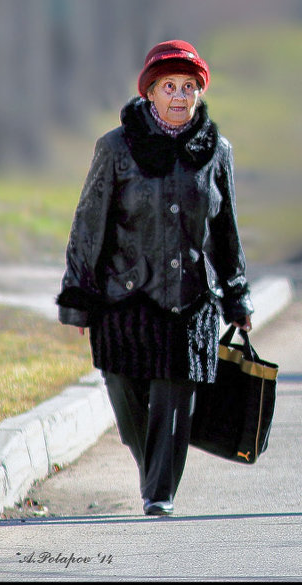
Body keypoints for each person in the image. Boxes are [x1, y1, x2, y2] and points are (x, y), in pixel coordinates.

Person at [57, 39, 254, 516]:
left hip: (190, 300)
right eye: (171, 86)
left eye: (190, 87)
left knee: (173, 403)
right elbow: (89, 224)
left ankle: (158, 492)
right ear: (150, 92)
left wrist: (237, 297)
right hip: (123, 298)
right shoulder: (116, 148)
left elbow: (225, 231)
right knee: (127, 405)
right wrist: (78, 298)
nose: (181, 97)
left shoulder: (216, 151)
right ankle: (153, 472)